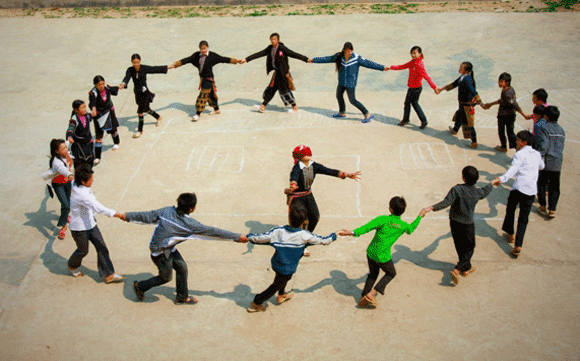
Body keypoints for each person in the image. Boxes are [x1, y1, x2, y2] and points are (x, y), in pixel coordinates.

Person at [124, 192, 248, 305]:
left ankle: (182, 297)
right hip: (160, 253)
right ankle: (140, 286)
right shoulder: (190, 225)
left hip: (168, 248)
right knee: (165, 277)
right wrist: (237, 237)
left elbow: (146, 215)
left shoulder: (167, 211)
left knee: (182, 268)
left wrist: (126, 216)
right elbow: (213, 231)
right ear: (191, 209)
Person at [246, 204, 338, 312]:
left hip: (276, 263)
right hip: (288, 268)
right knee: (276, 285)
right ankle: (257, 302)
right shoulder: (305, 235)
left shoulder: (278, 231)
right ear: (304, 221)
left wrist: (248, 237)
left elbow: (260, 238)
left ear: (289, 218)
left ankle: (281, 294)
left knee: (281, 279)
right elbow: (324, 240)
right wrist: (336, 234)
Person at [339, 197, 425, 308]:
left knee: (373, 274)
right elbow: (411, 229)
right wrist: (419, 216)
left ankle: (363, 297)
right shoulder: (402, 226)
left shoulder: (382, 219)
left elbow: (366, 228)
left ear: (390, 209)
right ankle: (372, 293)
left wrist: (351, 232)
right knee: (391, 273)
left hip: (371, 252)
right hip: (383, 256)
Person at [422, 166, 493, 285]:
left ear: (463, 178)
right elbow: (485, 191)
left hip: (454, 222)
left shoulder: (457, 189)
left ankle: (466, 268)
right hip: (467, 224)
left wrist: (431, 208)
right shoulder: (476, 192)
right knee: (470, 247)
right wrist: (491, 183)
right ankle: (457, 270)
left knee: (459, 245)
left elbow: (446, 202)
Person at [67, 164, 125, 283]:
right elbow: (98, 208)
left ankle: (109, 274)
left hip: (91, 224)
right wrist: (118, 214)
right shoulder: (82, 195)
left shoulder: (76, 182)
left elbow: (71, 177)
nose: (92, 181)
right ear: (83, 181)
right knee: (83, 251)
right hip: (79, 229)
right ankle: (72, 265)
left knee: (102, 247)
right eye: (90, 179)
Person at [286, 144, 361, 234]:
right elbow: (294, 176)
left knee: (315, 216)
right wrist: (293, 184)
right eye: (306, 154)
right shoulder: (297, 167)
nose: (309, 155)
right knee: (300, 218)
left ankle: (307, 235)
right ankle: (296, 236)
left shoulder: (314, 165)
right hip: (297, 197)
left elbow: (328, 171)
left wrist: (346, 174)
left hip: (308, 194)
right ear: (300, 156)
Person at [493, 131, 544, 258]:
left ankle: (510, 234)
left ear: (523, 142)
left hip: (519, 188)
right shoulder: (537, 154)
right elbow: (542, 166)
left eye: (518, 140)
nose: (516, 142)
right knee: (523, 218)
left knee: (510, 210)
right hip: (531, 190)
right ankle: (518, 245)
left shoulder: (519, 154)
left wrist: (501, 179)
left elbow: (513, 170)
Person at [309, 42, 386, 123]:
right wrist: (313, 60)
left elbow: (369, 63)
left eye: (351, 51)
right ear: (344, 50)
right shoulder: (339, 57)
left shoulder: (357, 58)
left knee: (352, 100)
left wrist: (382, 68)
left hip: (350, 84)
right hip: (341, 82)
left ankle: (367, 114)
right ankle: (342, 113)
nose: (349, 53)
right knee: (339, 96)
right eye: (348, 51)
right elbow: (326, 59)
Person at [240, 33, 308, 113]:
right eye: (271, 39)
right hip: (277, 73)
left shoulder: (282, 48)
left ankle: (295, 107)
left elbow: (293, 54)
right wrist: (246, 59)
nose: (273, 41)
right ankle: (263, 106)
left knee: (285, 90)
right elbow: (259, 54)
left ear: (278, 40)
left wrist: (306, 59)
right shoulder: (270, 48)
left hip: (283, 73)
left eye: (274, 39)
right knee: (271, 88)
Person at [173, 40, 240, 122]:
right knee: (211, 95)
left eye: (205, 48)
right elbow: (187, 60)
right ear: (199, 49)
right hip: (202, 79)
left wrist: (235, 61)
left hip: (209, 79)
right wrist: (177, 64)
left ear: (208, 47)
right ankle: (216, 109)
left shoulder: (212, 56)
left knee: (203, 95)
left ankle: (197, 114)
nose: (204, 50)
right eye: (202, 49)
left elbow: (223, 59)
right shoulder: (196, 56)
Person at [119, 54, 174, 138]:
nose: (136, 64)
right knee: (146, 109)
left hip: (145, 93)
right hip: (137, 93)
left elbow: (154, 69)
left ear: (140, 61)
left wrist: (168, 67)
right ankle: (158, 117)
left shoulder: (144, 68)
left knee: (140, 112)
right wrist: (123, 84)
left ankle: (140, 131)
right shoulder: (130, 70)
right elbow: (126, 78)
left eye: (137, 62)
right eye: (134, 63)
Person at [436, 62, 485, 149]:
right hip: (462, 104)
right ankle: (455, 130)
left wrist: (480, 103)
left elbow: (473, 91)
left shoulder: (467, 80)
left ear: (466, 71)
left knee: (470, 124)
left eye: (461, 68)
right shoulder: (463, 77)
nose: (459, 68)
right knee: (459, 116)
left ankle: (474, 142)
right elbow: (453, 84)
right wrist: (442, 89)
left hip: (467, 105)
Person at [387, 46, 437, 129]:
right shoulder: (413, 62)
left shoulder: (419, 64)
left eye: (415, 53)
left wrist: (434, 87)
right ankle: (407, 119)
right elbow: (403, 66)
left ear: (420, 54)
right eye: (412, 53)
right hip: (411, 88)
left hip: (416, 89)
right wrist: (391, 67)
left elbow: (427, 77)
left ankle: (422, 120)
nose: (413, 55)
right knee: (408, 103)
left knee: (414, 104)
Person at [482, 73, 529, 153]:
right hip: (505, 115)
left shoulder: (508, 93)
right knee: (503, 132)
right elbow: (501, 100)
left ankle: (516, 149)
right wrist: (490, 104)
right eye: (499, 81)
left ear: (506, 82)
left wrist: (524, 115)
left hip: (506, 116)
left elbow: (515, 105)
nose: (499, 83)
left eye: (501, 81)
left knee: (509, 133)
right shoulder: (507, 89)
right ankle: (504, 147)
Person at [536, 106, 565, 219]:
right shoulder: (561, 130)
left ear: (546, 116)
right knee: (554, 187)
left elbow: (544, 145)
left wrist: (539, 156)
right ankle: (552, 209)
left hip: (546, 161)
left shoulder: (545, 128)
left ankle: (543, 206)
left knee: (541, 183)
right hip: (557, 162)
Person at [89, 75, 121, 164]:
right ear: (95, 85)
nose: (102, 86)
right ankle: (98, 156)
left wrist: (119, 87)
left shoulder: (106, 88)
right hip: (99, 115)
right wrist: (93, 109)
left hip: (109, 112)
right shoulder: (93, 93)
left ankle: (117, 142)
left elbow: (113, 89)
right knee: (99, 136)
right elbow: (92, 102)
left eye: (103, 83)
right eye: (99, 84)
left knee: (113, 130)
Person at [48, 139, 74, 240]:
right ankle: (63, 226)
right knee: (66, 205)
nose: (66, 149)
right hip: (58, 184)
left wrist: (69, 140)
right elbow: (63, 170)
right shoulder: (56, 162)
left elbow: (66, 143)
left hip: (67, 183)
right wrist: (70, 175)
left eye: (66, 147)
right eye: (63, 148)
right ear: (56, 151)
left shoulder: (65, 153)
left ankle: (66, 215)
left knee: (67, 203)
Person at [66, 99, 95, 167]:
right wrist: (69, 136)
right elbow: (70, 129)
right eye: (82, 108)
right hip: (80, 145)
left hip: (88, 141)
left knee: (90, 159)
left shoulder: (86, 115)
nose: (84, 109)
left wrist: (93, 113)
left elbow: (91, 117)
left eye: (85, 107)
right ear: (76, 110)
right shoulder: (74, 119)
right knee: (82, 162)